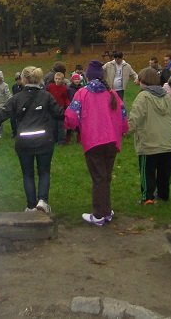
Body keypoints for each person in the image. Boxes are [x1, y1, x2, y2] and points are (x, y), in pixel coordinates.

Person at [0, 66, 63, 213]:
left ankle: (31, 205)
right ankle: (43, 201)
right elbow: (59, 114)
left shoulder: (16, 98)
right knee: (44, 172)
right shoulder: (47, 96)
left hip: (24, 142)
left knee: (28, 174)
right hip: (44, 140)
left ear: (23, 80)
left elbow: (2, 115)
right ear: (39, 79)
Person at [64, 60, 127, 226]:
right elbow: (123, 115)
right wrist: (122, 130)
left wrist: (73, 126)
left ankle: (99, 214)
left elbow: (70, 116)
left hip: (93, 141)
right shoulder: (112, 94)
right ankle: (106, 210)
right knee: (105, 176)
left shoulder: (82, 93)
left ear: (88, 76)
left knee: (99, 178)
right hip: (112, 141)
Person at [128, 67, 171, 206]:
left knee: (148, 172)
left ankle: (147, 197)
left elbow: (135, 119)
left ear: (143, 81)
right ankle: (163, 195)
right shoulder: (166, 96)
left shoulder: (142, 96)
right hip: (167, 142)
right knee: (165, 172)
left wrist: (121, 131)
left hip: (149, 142)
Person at [46, 72, 70, 144]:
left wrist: (67, 106)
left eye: (59, 79)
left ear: (62, 80)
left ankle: (61, 141)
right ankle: (54, 139)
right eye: (56, 79)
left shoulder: (64, 88)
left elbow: (66, 98)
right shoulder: (50, 86)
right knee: (53, 125)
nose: (57, 80)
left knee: (61, 126)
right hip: (52, 108)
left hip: (60, 109)